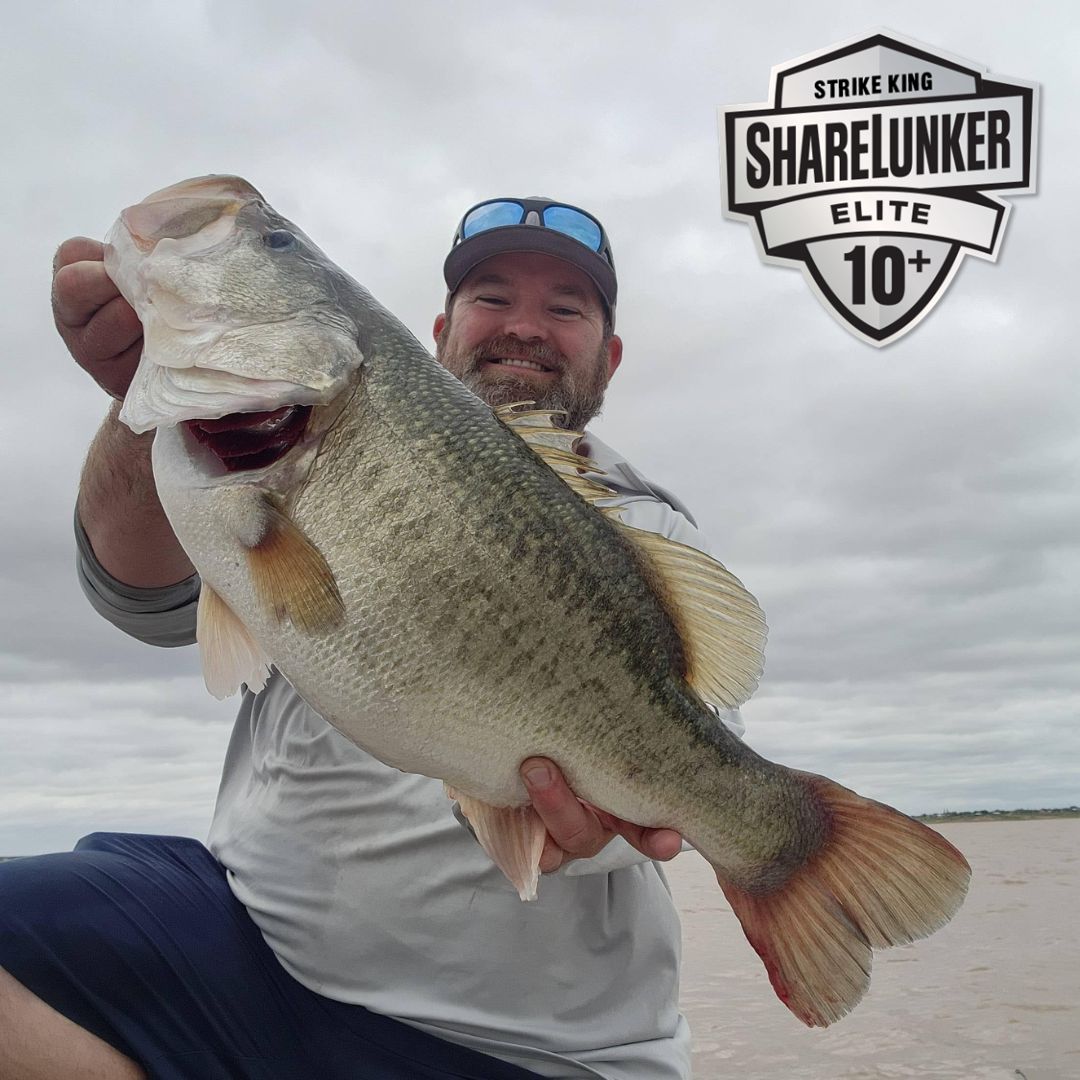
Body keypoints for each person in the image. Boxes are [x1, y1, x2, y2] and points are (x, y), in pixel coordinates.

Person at [0, 195, 742, 1079]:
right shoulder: (269, 441)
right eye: (492, 296)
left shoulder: (649, 534)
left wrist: (613, 825)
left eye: (565, 306)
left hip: (529, 1048)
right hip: (246, 954)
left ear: (608, 356)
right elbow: (139, 599)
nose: (524, 326)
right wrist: (139, 397)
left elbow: (688, 763)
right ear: (441, 330)